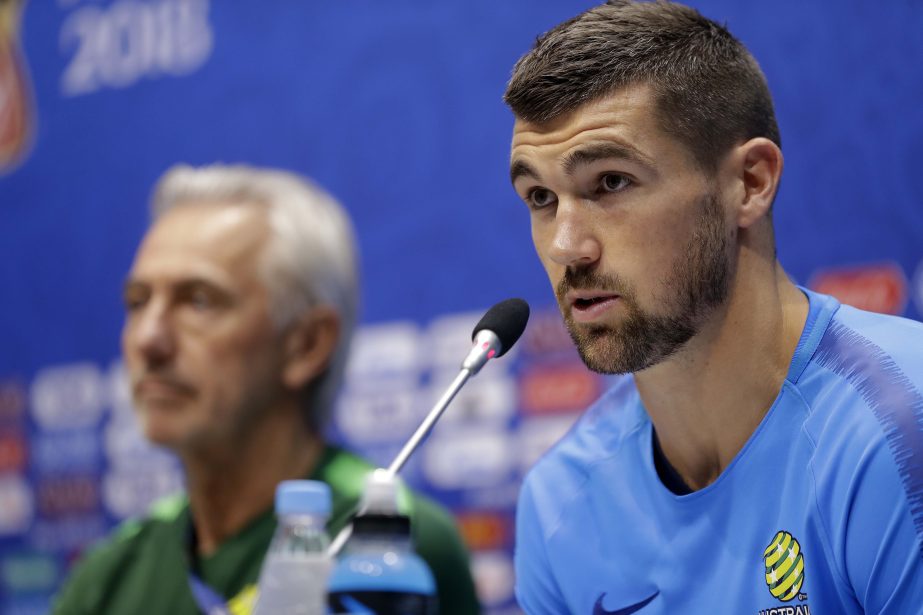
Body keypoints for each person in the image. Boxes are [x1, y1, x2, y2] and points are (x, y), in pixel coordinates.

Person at [505, 2, 923, 613]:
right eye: (540, 197)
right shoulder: (560, 502)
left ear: (750, 182)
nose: (567, 247)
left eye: (611, 182)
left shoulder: (896, 429)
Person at [52, 164, 481, 614]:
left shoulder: (388, 551)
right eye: (138, 302)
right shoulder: (108, 576)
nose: (148, 340)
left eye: (198, 300)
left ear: (307, 344)